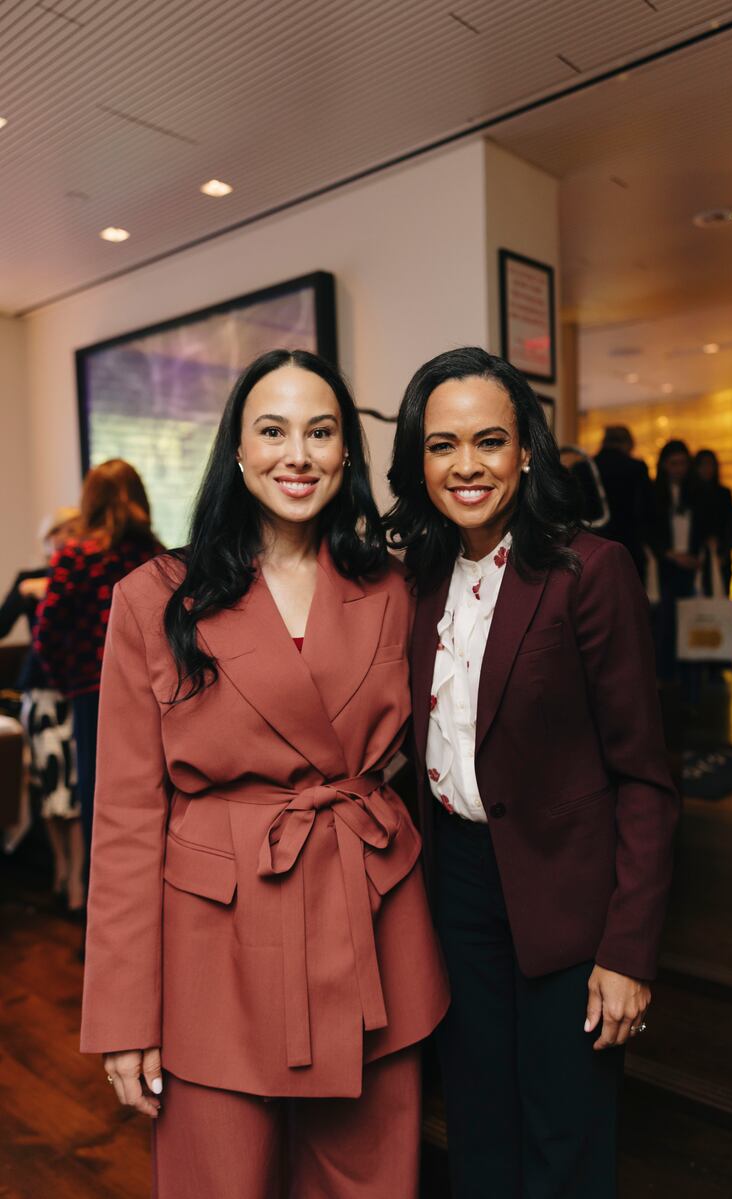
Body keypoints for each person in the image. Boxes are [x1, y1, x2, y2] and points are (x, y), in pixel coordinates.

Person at [80, 350, 449, 1198]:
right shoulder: (153, 597)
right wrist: (125, 1013)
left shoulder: (394, 587)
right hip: (217, 951)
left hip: (369, 926)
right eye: (273, 431)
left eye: (321, 432)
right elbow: (127, 819)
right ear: (238, 451)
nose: (298, 454)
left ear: (347, 452)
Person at [385, 347, 679, 1199]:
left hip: (568, 895)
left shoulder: (589, 570)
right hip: (456, 887)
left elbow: (645, 777)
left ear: (524, 451)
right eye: (443, 445)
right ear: (419, 460)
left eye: (489, 440)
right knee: (478, 1129)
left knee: (565, 1141)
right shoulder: (417, 581)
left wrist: (628, 949)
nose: (466, 465)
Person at [34, 460, 163, 879]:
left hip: (93, 690)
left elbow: (47, 633)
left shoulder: (74, 558)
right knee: (155, 792)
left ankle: (104, 899)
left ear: (89, 502)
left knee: (101, 797)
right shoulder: (157, 557)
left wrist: (66, 680)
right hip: (156, 691)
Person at [0, 507, 84, 909]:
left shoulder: (85, 578)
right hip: (39, 693)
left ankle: (77, 882)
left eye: (74, 531)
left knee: (76, 791)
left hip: (77, 692)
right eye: (60, 532)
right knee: (50, 788)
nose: (66, 539)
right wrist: (25, 592)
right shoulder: (29, 579)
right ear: (48, 538)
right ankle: (60, 870)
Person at [649, 439, 708, 686]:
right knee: (666, 625)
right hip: (665, 567)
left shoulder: (697, 493)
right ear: (664, 465)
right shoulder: (654, 494)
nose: (679, 469)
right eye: (674, 463)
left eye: (683, 463)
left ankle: (689, 682)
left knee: (691, 623)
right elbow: (648, 531)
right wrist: (670, 554)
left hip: (692, 567)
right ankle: (667, 679)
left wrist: (696, 557)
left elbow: (705, 528)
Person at [593, 425, 654, 581]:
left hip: (593, 543)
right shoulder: (637, 468)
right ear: (628, 443)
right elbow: (647, 508)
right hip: (629, 543)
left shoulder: (584, 467)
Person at [689, 449, 732, 593]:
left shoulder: (724, 494)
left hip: (719, 553)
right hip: (696, 555)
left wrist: (724, 551)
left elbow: (729, 525)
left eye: (710, 465)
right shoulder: (690, 494)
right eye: (703, 465)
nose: (707, 469)